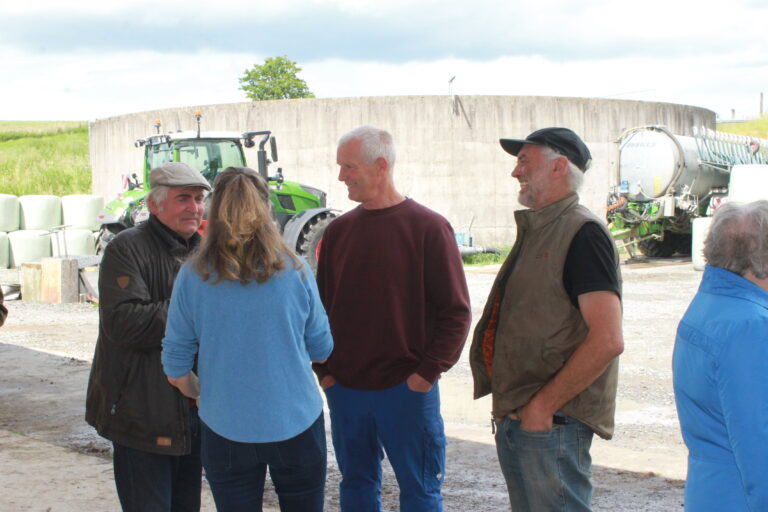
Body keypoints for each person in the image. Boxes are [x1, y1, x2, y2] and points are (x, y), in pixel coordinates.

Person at [314, 125, 472, 511]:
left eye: (349, 166)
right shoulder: (337, 232)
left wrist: (425, 375)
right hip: (346, 390)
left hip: (406, 390)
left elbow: (455, 311)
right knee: (356, 486)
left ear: (381, 165)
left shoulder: (429, 228)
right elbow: (317, 310)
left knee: (420, 491)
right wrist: (325, 373)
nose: (341, 177)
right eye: (340, 167)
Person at [469, 127, 624, 511]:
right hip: (527, 417)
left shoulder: (582, 233)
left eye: (525, 160)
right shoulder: (543, 227)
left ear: (559, 167)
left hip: (553, 422)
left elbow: (608, 339)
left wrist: (541, 408)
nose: (515, 172)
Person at [162, 167, 333, 511]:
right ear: (267, 209)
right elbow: (322, 347)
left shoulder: (193, 275)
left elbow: (176, 368)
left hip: (225, 427)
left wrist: (200, 392)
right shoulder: (296, 269)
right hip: (296, 420)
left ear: (213, 212)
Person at [85, 162, 210, 512]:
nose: (195, 207)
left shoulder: (205, 252)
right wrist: (197, 306)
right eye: (183, 198)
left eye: (199, 198)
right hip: (140, 413)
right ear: (155, 205)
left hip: (194, 414)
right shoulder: (126, 248)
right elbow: (124, 323)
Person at [673, 200, 768, 511]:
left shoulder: (709, 304)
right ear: (761, 261)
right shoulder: (750, 326)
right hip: (741, 498)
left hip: (710, 491)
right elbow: (759, 443)